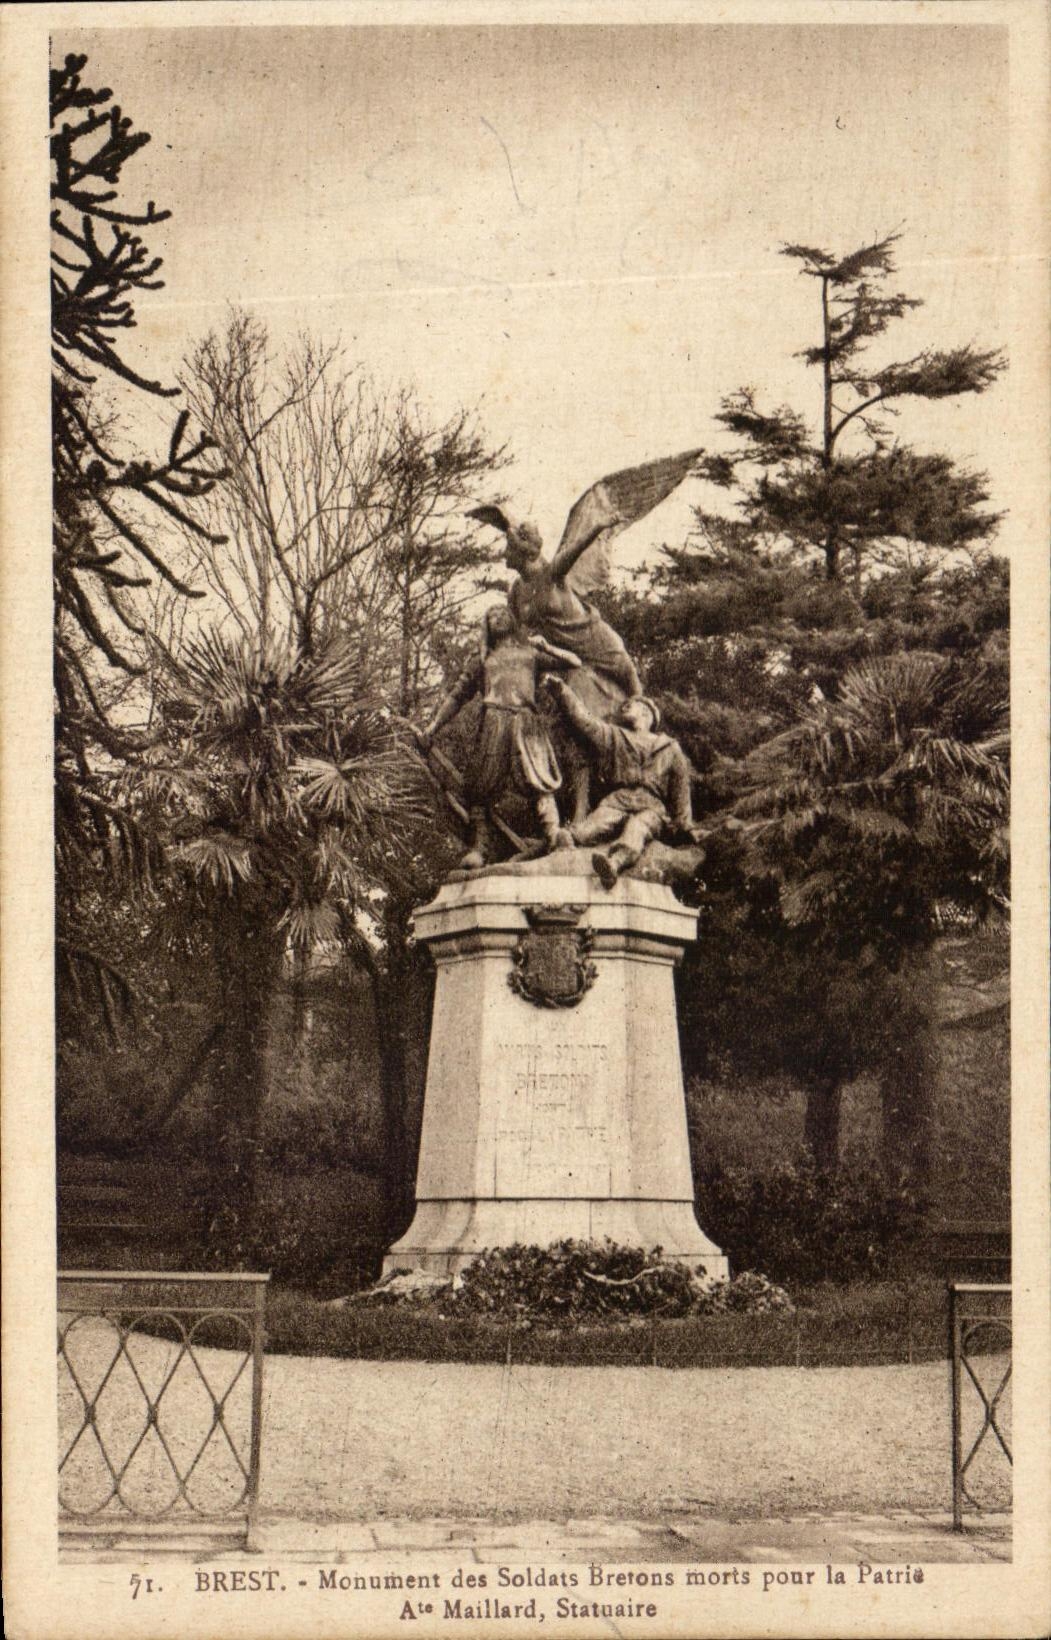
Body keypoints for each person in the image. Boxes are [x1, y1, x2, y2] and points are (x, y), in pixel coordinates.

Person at [416, 605, 578, 870]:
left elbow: (574, 662)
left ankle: (553, 835)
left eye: (503, 614)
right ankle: (480, 848)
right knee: (481, 788)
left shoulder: (530, 653)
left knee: (540, 781)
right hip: (493, 722)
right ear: (486, 626)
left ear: (512, 620)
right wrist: (433, 727)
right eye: (491, 616)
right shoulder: (483, 659)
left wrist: (547, 647)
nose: (498, 618)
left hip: (526, 721)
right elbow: (457, 696)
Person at [543, 677, 701, 888]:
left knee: (637, 828)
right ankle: (564, 845)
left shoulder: (671, 748)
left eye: (632, 704)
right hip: (618, 799)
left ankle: (613, 865)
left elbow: (681, 791)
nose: (625, 706)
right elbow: (585, 721)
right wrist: (562, 691)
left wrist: (685, 826)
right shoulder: (615, 736)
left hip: (651, 806)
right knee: (590, 827)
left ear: (646, 713)